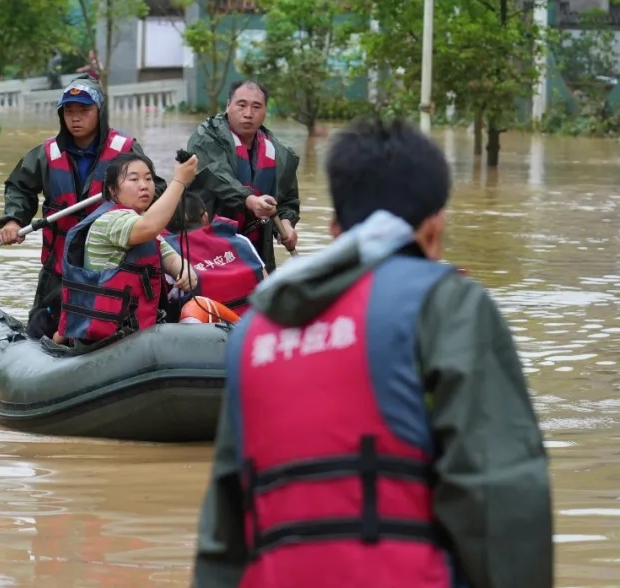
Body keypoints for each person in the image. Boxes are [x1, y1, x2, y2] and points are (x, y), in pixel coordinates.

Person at [191, 117, 553, 588]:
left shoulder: (253, 331)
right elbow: (500, 496)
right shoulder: (447, 305)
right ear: (435, 228)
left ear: (336, 228)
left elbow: (222, 536)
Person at [0, 78, 165, 339]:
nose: (75, 118)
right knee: (39, 332)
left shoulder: (126, 150)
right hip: (60, 267)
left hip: (112, 265)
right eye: (69, 111)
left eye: (84, 111)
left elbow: (156, 191)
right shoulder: (47, 153)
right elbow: (19, 186)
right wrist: (13, 221)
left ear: (100, 112)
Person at [54, 152, 199, 347]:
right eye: (134, 179)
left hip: (134, 330)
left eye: (148, 178)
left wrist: (186, 269)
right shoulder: (112, 221)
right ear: (113, 191)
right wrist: (179, 181)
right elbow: (149, 226)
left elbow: (169, 257)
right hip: (105, 338)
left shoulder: (142, 223)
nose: (144, 185)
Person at [187, 80, 300, 275]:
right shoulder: (205, 137)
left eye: (256, 107)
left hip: (257, 252)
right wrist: (249, 200)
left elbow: (288, 199)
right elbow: (217, 176)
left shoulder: (280, 153)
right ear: (228, 105)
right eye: (241, 105)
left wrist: (287, 225)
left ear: (265, 112)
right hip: (205, 248)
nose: (248, 114)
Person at [162, 191, 267, 317]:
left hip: (206, 331)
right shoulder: (239, 240)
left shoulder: (166, 253)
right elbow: (268, 282)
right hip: (254, 322)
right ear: (205, 217)